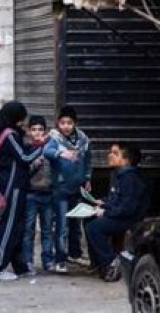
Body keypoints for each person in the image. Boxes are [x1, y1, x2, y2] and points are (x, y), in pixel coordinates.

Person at [0, 101, 52, 281]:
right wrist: (42, 144)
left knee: (18, 228)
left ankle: (19, 266)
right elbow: (24, 158)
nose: (22, 122)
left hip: (17, 185)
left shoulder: (10, 133)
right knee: (9, 226)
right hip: (12, 186)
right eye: (21, 119)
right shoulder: (10, 135)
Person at [85, 143, 150, 282]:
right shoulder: (119, 175)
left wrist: (105, 212)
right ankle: (98, 263)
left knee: (94, 227)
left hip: (130, 219)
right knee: (89, 219)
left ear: (126, 160)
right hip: (121, 215)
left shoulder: (130, 178)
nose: (110, 155)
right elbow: (116, 200)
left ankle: (111, 262)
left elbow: (127, 209)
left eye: (115, 153)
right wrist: (103, 204)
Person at [44, 105, 92, 273]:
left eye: (69, 123)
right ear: (58, 123)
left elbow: (88, 160)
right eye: (63, 123)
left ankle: (75, 254)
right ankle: (60, 259)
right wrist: (60, 154)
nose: (66, 126)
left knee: (75, 224)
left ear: (75, 123)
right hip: (61, 189)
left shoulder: (83, 139)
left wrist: (87, 178)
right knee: (62, 226)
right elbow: (47, 152)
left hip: (77, 188)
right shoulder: (55, 139)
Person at [22, 115, 55, 275]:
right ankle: (28, 261)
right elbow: (23, 173)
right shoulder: (26, 149)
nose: (37, 133)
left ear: (45, 131)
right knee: (29, 230)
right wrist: (34, 165)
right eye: (34, 129)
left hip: (48, 194)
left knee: (47, 230)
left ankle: (48, 260)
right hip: (31, 194)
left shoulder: (50, 148)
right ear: (29, 132)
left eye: (40, 129)